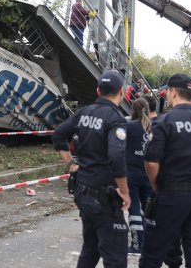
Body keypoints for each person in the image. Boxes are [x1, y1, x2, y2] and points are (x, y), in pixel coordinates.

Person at [140, 73, 191, 268]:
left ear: (173, 92)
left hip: (170, 195)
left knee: (152, 255)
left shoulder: (163, 122)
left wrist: (155, 185)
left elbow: (151, 163)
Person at [52, 70, 130, 268]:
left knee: (91, 248)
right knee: (116, 257)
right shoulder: (116, 118)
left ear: (98, 90)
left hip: (84, 190)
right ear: (122, 91)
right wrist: (125, 191)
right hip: (104, 196)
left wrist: (71, 164)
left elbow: (58, 135)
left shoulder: (83, 112)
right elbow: (116, 155)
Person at [125, 97, 153, 255]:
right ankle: (150, 242)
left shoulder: (129, 127)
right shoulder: (153, 127)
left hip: (132, 174)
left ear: (133, 111)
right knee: (149, 209)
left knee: (134, 208)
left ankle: (137, 244)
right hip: (149, 174)